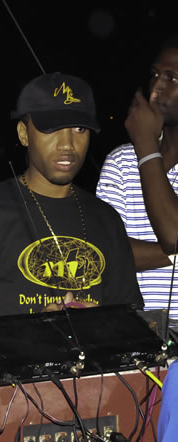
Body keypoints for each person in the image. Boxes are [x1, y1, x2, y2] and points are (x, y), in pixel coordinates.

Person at [0, 73, 143, 326]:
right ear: (23, 134)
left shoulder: (106, 219)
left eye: (79, 129)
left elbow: (132, 318)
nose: (67, 144)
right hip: (4, 365)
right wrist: (35, 332)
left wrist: (95, 323)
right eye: (51, 128)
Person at [106, 37, 178, 325]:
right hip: (135, 332)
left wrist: (146, 145)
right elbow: (109, 253)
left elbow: (174, 234)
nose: (157, 86)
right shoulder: (121, 163)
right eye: (154, 75)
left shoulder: (141, 149)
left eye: (171, 77)